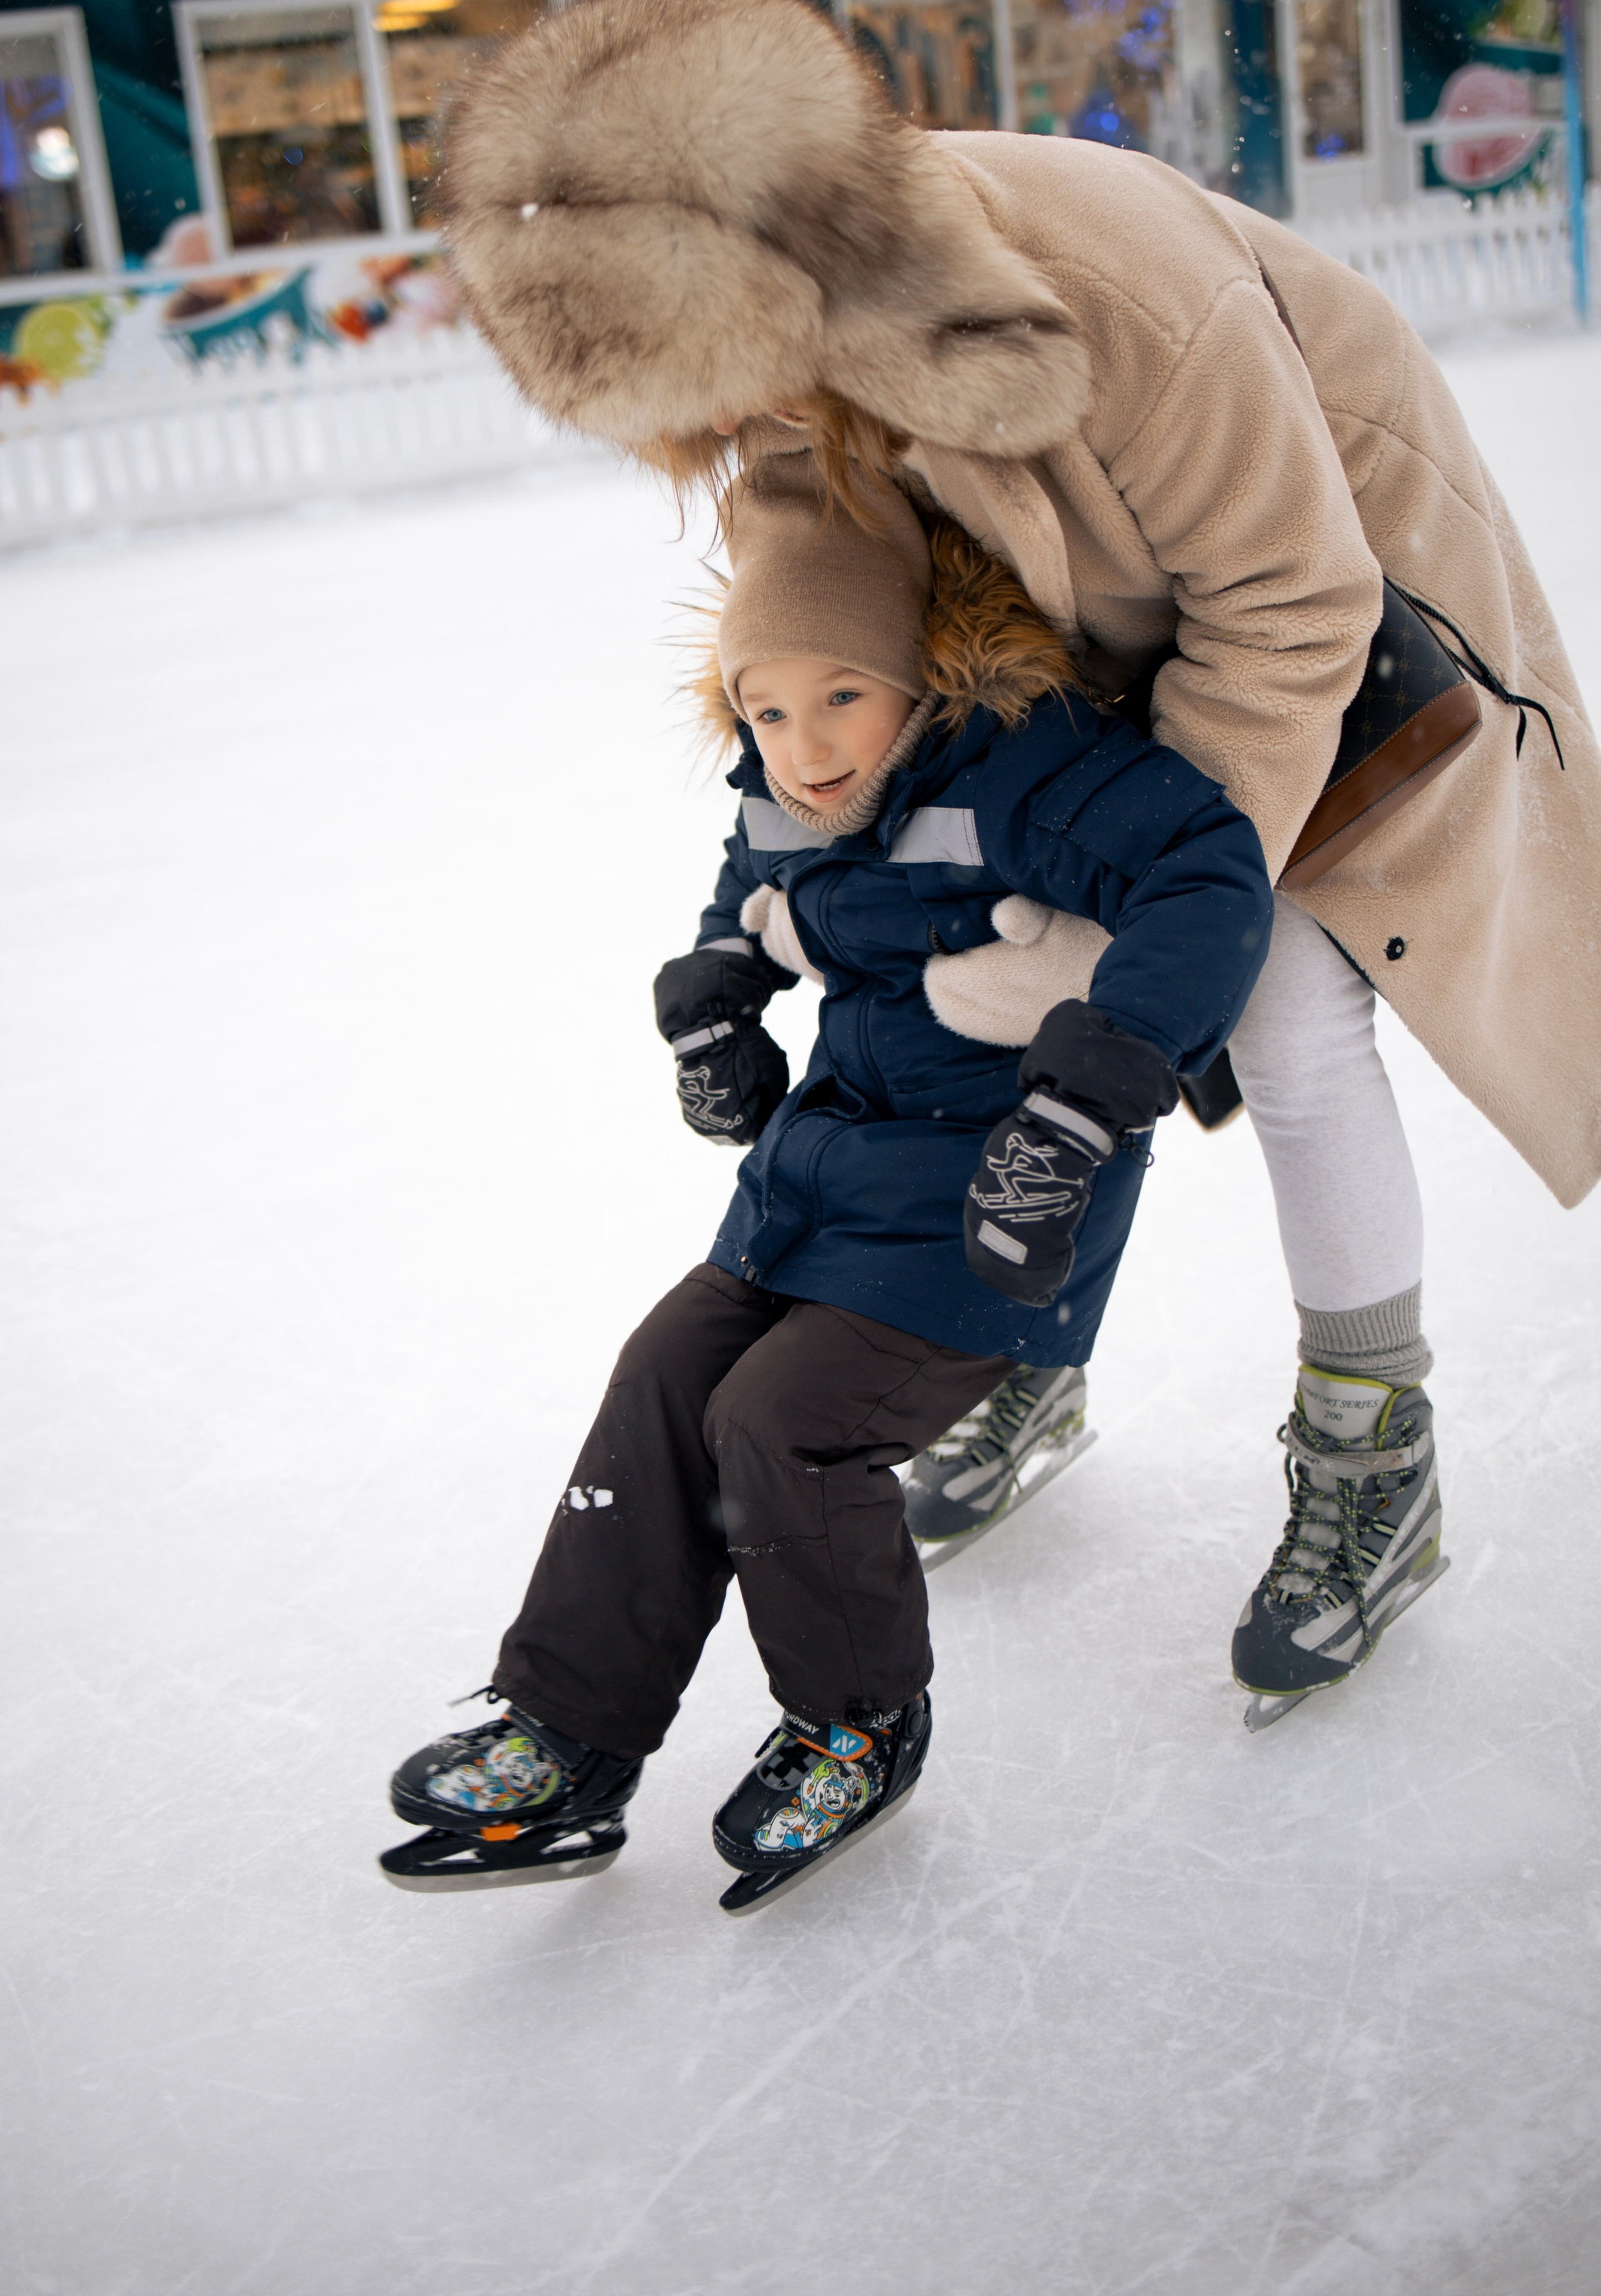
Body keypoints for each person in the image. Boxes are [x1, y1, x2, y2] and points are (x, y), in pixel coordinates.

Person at [437, 0, 1600, 1730]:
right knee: (956, 947)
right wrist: (780, 874)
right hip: (1054, 619)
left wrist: (1122, 925)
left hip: (1335, 614)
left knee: (1275, 1005)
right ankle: (1009, 1344)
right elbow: (802, 563)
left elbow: (1289, 614)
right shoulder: (771, 344)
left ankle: (1376, 1445)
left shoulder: (1129, 299)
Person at [380, 453, 1273, 1910]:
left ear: (916, 668)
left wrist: (1088, 1096)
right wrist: (719, 997)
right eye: (767, 708)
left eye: (841, 695)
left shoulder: (1031, 767)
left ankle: (855, 1726)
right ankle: (571, 1729)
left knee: (781, 1423)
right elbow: (744, 889)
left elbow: (1205, 873)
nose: (802, 747)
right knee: (668, 1373)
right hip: (820, 1174)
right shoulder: (785, 788)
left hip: (1001, 1183)